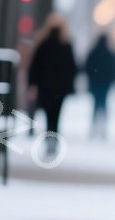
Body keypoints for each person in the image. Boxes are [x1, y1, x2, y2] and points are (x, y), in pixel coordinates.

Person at [26, 13, 78, 143]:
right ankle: (54, 136)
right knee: (56, 114)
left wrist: (33, 84)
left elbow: (35, 67)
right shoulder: (66, 46)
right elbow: (72, 68)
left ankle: (49, 135)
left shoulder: (43, 45)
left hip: (45, 87)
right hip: (60, 89)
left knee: (48, 113)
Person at [83, 30, 115, 140]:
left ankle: (94, 127)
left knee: (95, 105)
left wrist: (91, 78)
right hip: (104, 84)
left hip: (95, 83)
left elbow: (87, 67)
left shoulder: (93, 52)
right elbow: (114, 70)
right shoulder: (109, 54)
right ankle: (103, 128)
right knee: (103, 105)